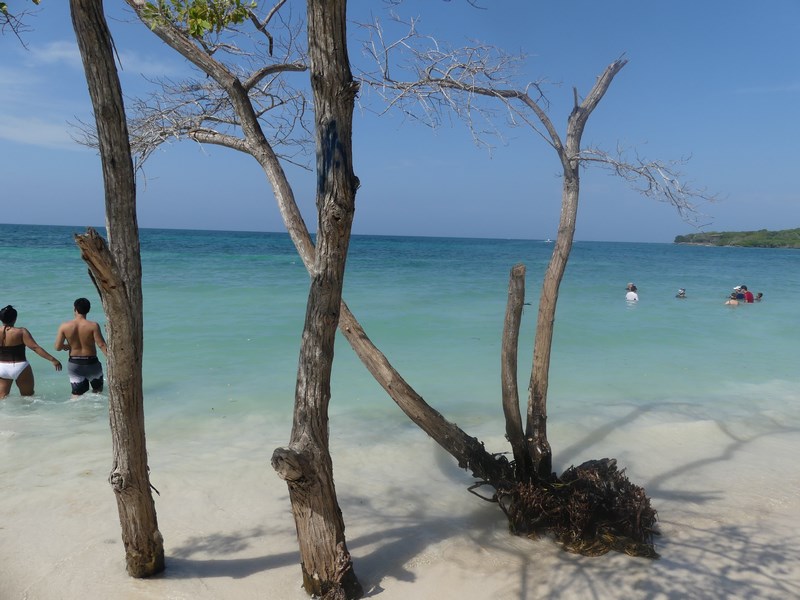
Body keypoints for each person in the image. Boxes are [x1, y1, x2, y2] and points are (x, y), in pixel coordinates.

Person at [0, 305, 62, 399]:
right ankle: (28, 414)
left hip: (2, 367)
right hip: (20, 366)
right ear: (15, 318)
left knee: (2, 397)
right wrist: (53, 360)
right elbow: (35, 348)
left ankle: (5, 414)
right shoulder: (21, 332)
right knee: (28, 397)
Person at [55, 298, 108, 396]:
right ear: (88, 309)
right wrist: (112, 360)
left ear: (75, 309)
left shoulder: (64, 326)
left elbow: (57, 347)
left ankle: (76, 411)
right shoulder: (93, 326)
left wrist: (67, 345)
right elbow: (101, 345)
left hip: (74, 364)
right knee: (98, 391)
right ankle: (96, 411)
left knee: (76, 394)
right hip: (91, 363)